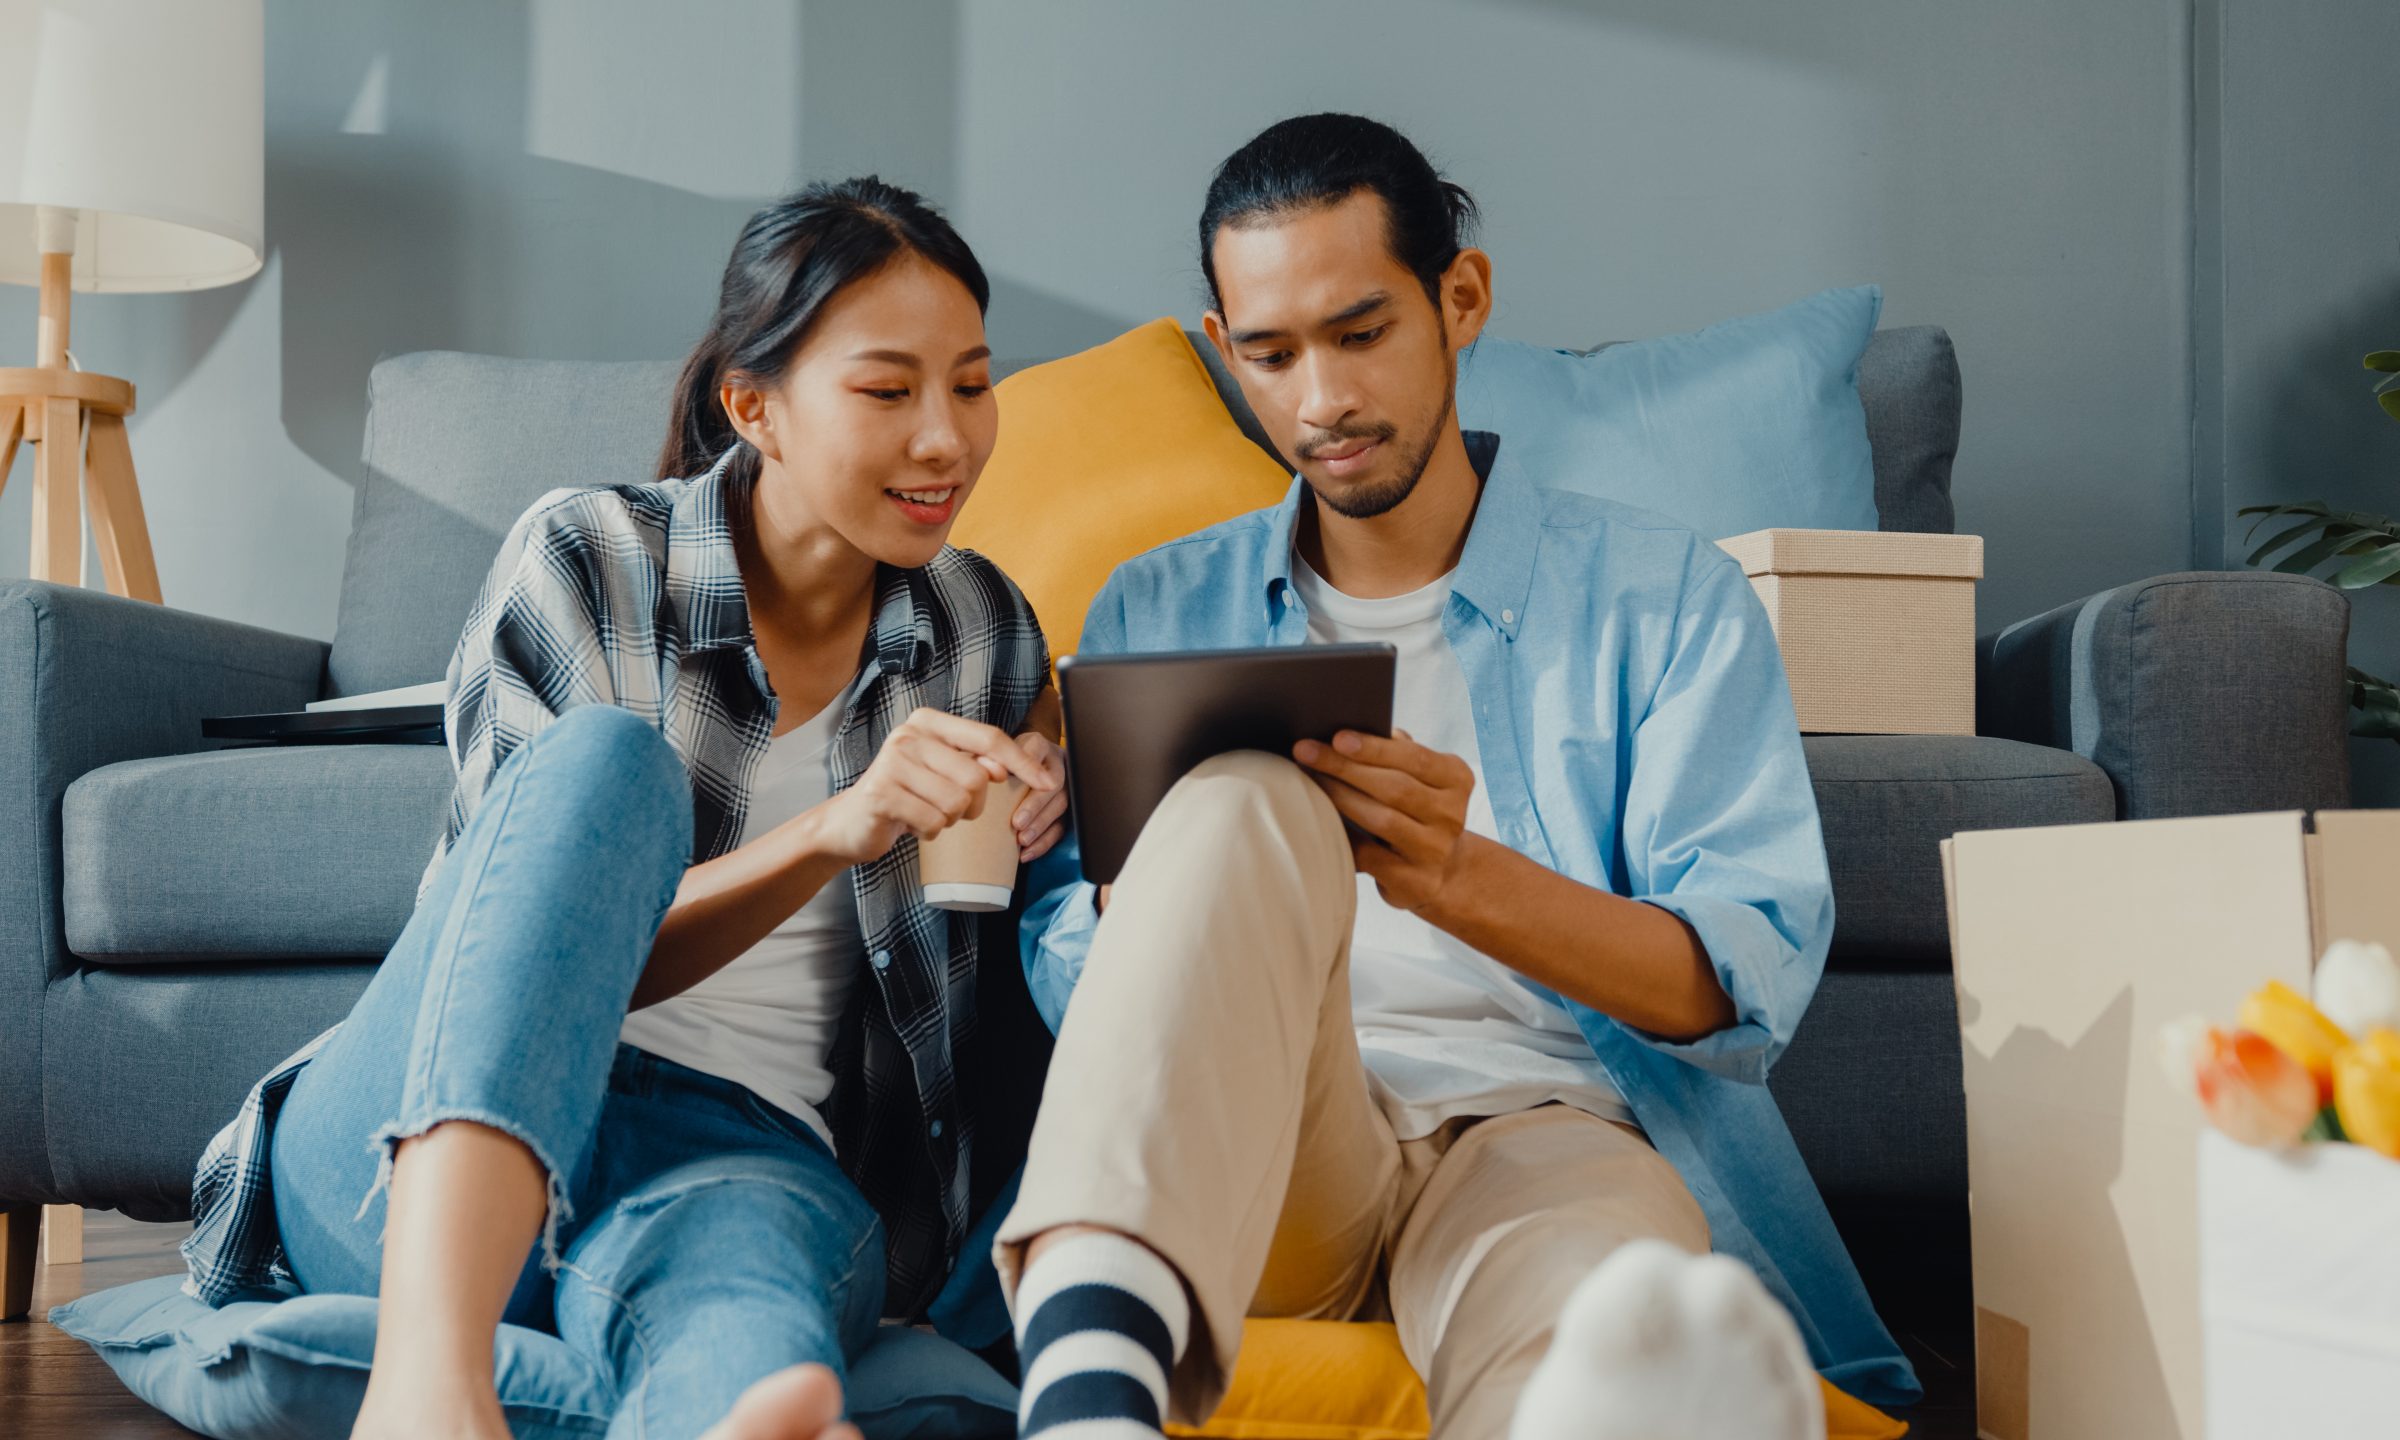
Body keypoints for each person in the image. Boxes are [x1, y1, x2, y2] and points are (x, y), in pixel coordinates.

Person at [996, 114, 1919, 1440]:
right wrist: (1077, 855)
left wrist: (1457, 877)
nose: (1320, 400)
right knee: (1243, 800)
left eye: (1360, 331)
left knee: (1597, 1350)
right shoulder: (1158, 605)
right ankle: (1091, 1392)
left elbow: (1742, 981)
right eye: (1271, 353)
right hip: (1277, 1150)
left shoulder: (1666, 600)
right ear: (1225, 353)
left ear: (1460, 299)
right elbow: (1090, 981)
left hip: (1551, 1131)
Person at [179, 177, 1065, 1440]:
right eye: (888, 390)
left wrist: (1062, 755)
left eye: (974, 386)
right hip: (431, 1133)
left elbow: (1046, 832)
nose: (947, 440)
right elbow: (528, 968)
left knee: (753, 1342)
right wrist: (833, 828)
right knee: (609, 764)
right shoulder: (589, 558)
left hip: (748, 1159)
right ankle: (428, 1389)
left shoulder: (979, 627)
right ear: (752, 406)